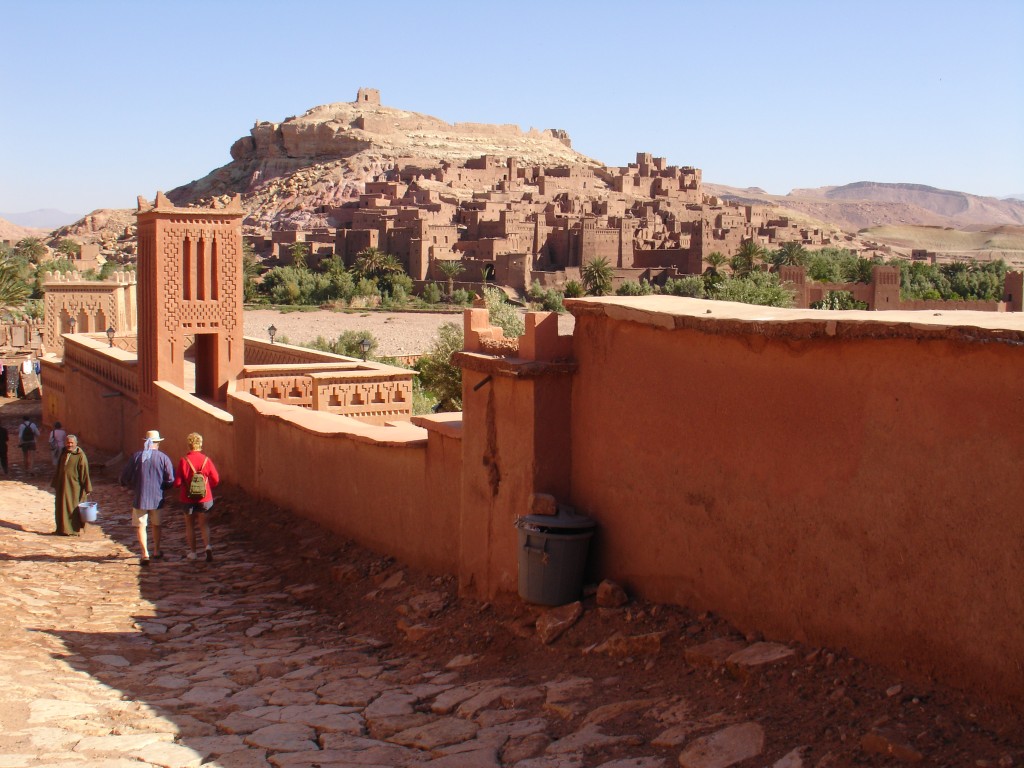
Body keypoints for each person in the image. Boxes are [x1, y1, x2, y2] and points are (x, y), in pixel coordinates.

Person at [119, 429, 174, 566]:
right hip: (157, 498)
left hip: (140, 497)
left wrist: (130, 485)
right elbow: (170, 479)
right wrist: (164, 488)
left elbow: (125, 476)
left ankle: (144, 553)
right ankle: (156, 550)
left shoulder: (137, 457)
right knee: (156, 524)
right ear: (157, 443)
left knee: (141, 526)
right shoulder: (163, 458)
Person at [175, 432, 220, 562]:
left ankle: (193, 552)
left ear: (189, 445)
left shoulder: (184, 460)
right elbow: (216, 479)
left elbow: (177, 483)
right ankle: (208, 547)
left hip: (187, 498)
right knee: (204, 524)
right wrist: (207, 485)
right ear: (200, 444)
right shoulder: (206, 460)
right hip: (205, 498)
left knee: (189, 525)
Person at [51, 434, 91, 535]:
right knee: (60, 507)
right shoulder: (63, 453)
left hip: (74, 487)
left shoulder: (80, 456)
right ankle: (61, 529)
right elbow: (59, 469)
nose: (69, 445)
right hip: (62, 485)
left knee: (72, 508)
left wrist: (87, 488)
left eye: (71, 443)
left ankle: (72, 530)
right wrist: (56, 482)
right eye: (68, 442)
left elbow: (84, 473)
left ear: (76, 443)